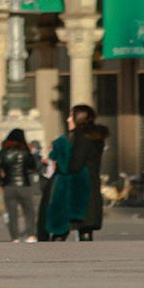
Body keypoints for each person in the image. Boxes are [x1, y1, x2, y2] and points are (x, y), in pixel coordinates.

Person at [43, 103, 109, 241]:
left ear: (78, 118)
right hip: (91, 188)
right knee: (85, 231)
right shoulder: (95, 137)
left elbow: (75, 165)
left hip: (76, 190)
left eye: (71, 116)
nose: (68, 119)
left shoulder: (80, 137)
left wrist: (59, 165)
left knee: (61, 231)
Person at [0, 128, 41, 242]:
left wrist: (0, 181)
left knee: (12, 213)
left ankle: (15, 237)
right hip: (24, 185)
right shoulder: (25, 151)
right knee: (29, 211)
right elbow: (33, 166)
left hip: (9, 185)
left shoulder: (4, 151)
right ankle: (31, 235)